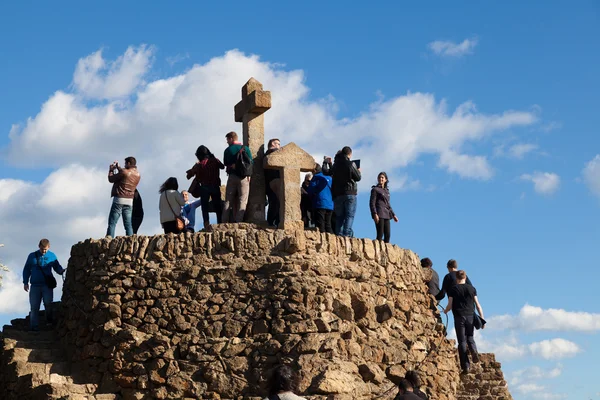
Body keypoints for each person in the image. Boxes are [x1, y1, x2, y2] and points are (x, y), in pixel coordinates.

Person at [444, 270, 484, 374]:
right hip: (470, 316)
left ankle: (465, 367)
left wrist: (445, 311)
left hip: (459, 317)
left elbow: (450, 305)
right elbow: (478, 305)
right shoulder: (472, 289)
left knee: (462, 341)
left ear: (456, 278)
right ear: (465, 278)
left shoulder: (453, 289)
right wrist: (482, 319)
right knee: (470, 337)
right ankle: (474, 351)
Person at [22, 239, 65, 332]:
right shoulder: (32, 256)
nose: (44, 251)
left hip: (47, 285)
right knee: (34, 307)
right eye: (42, 249)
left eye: (45, 249)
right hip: (35, 285)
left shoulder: (52, 256)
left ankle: (49, 322)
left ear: (49, 247)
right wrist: (25, 282)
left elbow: (57, 266)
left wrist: (61, 271)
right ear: (39, 247)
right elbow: (26, 270)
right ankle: (34, 327)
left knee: (48, 304)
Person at [186, 145, 224, 230]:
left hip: (204, 188)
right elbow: (222, 166)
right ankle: (220, 223)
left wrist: (193, 170)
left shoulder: (199, 164)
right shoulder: (215, 161)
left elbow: (188, 176)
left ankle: (206, 224)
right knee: (218, 206)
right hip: (215, 186)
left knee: (205, 207)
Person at [106, 156, 141, 238]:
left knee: (112, 222)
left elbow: (111, 179)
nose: (124, 165)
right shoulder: (138, 174)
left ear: (128, 163)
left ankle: (109, 238)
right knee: (128, 224)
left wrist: (111, 170)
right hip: (129, 201)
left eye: (125, 163)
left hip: (119, 199)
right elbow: (125, 174)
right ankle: (131, 240)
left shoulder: (124, 172)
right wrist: (118, 167)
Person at [222, 131, 253, 223]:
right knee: (243, 200)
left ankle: (224, 220)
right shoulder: (246, 148)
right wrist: (249, 174)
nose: (227, 142)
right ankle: (238, 221)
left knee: (228, 200)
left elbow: (225, 163)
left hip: (232, 176)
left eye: (227, 140)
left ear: (231, 139)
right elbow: (251, 162)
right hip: (244, 177)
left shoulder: (227, 150)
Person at [331, 146, 361, 237]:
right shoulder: (351, 164)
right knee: (349, 215)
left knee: (339, 216)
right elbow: (358, 178)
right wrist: (358, 171)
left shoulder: (335, 166)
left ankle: (339, 235)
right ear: (350, 154)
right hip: (349, 192)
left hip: (338, 194)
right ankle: (346, 234)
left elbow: (327, 172)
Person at [369, 172, 399, 243]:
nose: (381, 179)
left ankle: (385, 251)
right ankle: (377, 250)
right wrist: (374, 214)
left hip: (387, 215)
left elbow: (388, 204)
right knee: (380, 234)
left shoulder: (387, 191)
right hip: (379, 213)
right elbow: (372, 203)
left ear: (385, 180)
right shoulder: (375, 189)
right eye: (379, 177)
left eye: (382, 177)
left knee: (387, 235)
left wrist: (393, 215)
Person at [307, 164, 334, 233]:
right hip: (330, 204)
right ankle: (331, 241)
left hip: (320, 203)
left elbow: (310, 191)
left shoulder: (316, 178)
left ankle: (323, 241)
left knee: (321, 225)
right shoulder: (329, 178)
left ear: (314, 170)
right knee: (328, 224)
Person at [264, 138, 282, 227]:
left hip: (269, 182)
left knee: (274, 202)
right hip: (274, 180)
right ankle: (274, 221)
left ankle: (272, 222)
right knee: (278, 202)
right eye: (278, 144)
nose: (279, 146)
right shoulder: (273, 153)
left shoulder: (266, 154)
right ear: (272, 144)